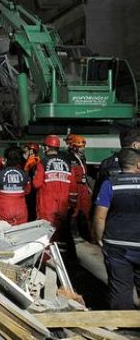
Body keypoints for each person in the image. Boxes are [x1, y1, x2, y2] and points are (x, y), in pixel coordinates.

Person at [93, 148, 140, 309]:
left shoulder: (110, 184)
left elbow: (100, 216)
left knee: (121, 290)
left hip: (117, 245)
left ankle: (125, 327)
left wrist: (99, 237)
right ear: (138, 165)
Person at [34, 134, 76, 257]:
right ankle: (57, 259)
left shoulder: (43, 162)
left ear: (47, 148)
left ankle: (46, 263)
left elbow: (36, 184)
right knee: (57, 236)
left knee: (45, 237)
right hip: (62, 206)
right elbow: (73, 188)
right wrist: (73, 205)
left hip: (46, 205)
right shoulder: (68, 164)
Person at [94, 128, 140, 204]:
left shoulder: (106, 163)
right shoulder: (137, 163)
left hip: (113, 212)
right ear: (135, 145)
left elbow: (98, 193)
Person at [0, 147, 31, 225]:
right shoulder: (24, 174)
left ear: (6, 160)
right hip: (21, 210)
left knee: (5, 234)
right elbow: (28, 190)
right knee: (21, 233)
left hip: (4, 209)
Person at [66, 134, 91, 238]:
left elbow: (84, 173)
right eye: (80, 147)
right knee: (74, 211)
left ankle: (89, 234)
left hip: (83, 187)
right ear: (74, 147)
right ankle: (73, 233)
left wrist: (88, 187)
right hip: (76, 186)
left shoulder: (81, 158)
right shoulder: (70, 159)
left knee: (87, 211)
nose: (82, 149)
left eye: (83, 147)